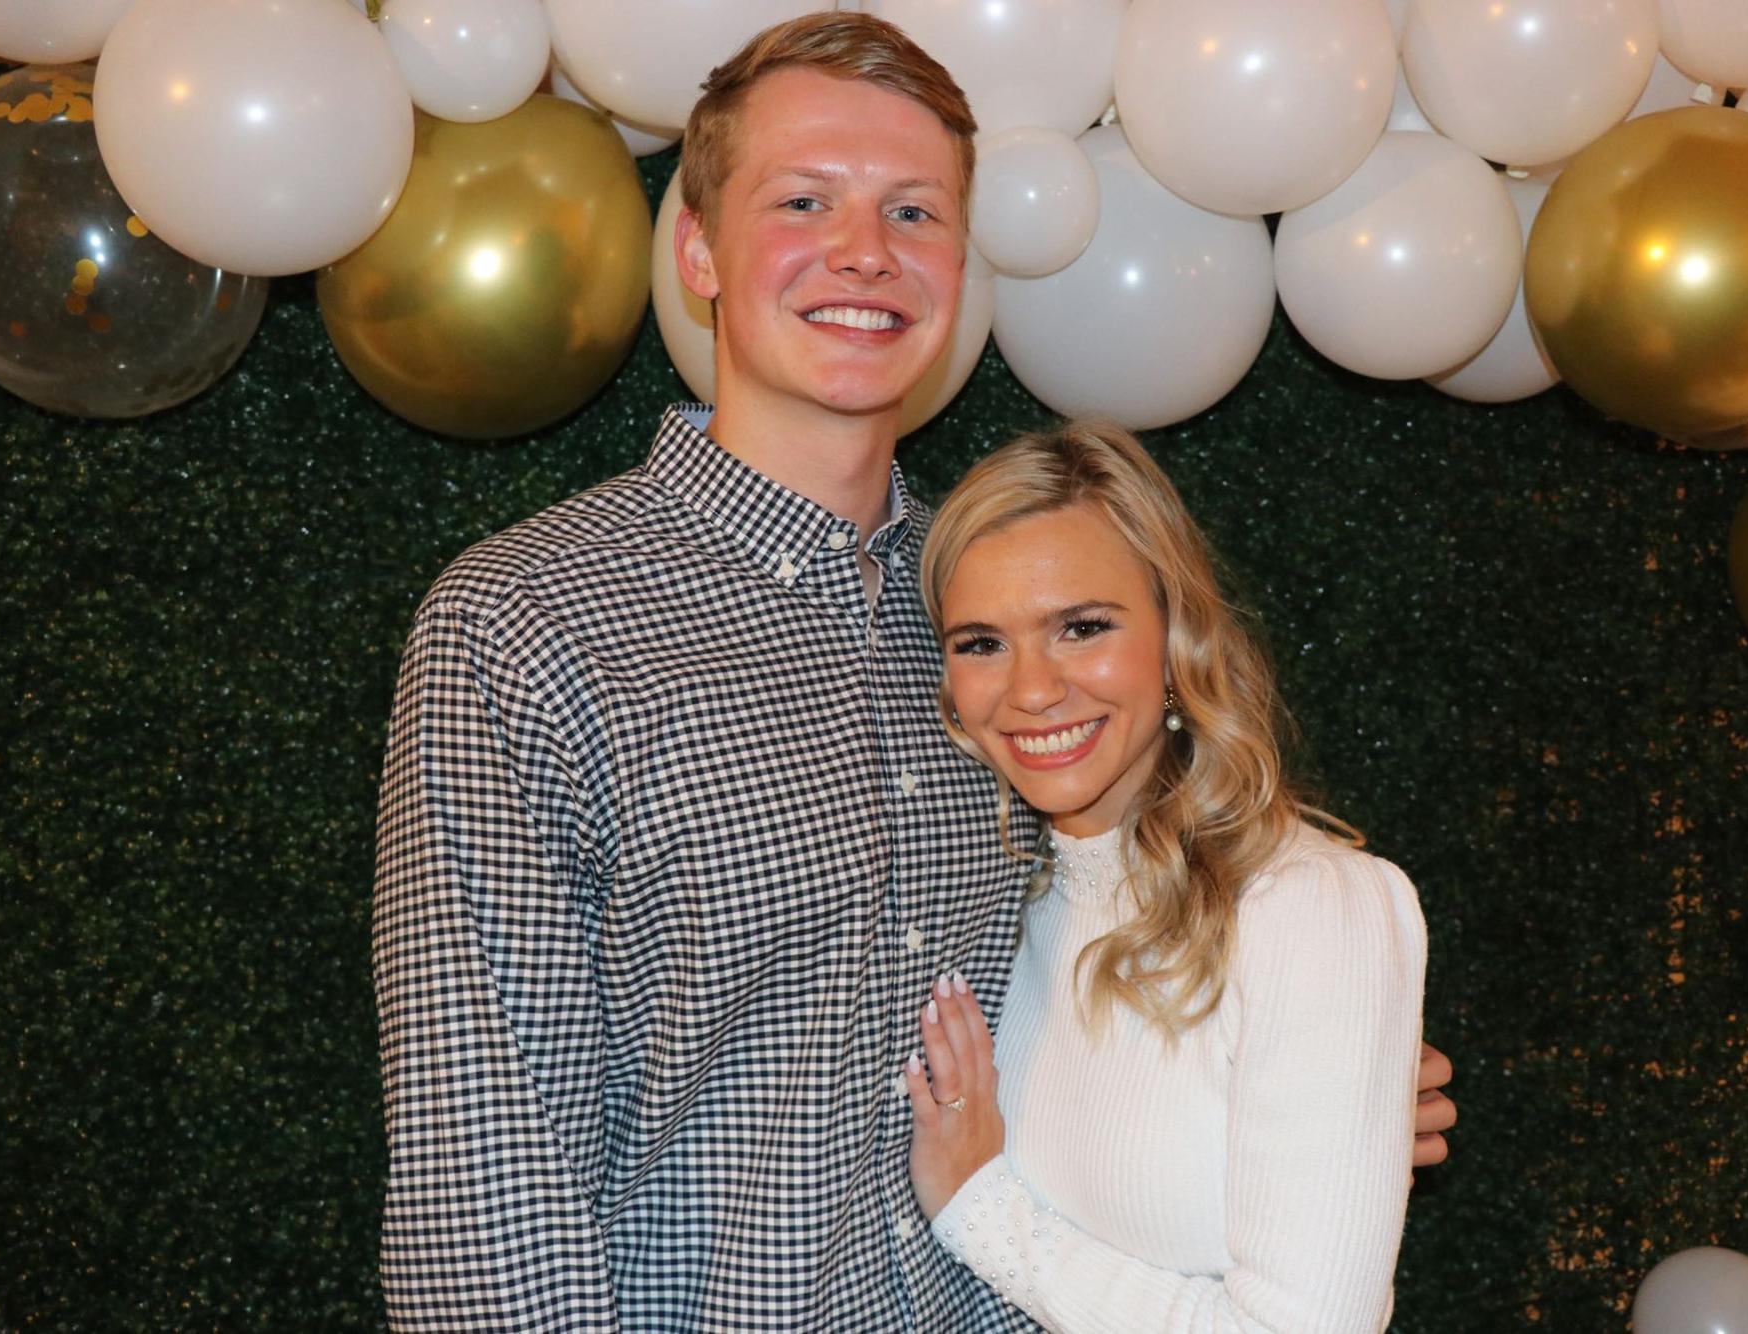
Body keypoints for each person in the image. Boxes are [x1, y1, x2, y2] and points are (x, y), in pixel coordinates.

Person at [371, 12, 1452, 1331]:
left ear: (958, 262)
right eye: (803, 201)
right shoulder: (530, 623)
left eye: (914, 212)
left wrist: (1303, 1077)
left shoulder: (989, 613)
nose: (865, 251)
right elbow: (485, 1183)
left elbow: (1143, 915)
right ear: (698, 249)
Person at [903, 421, 1428, 1332]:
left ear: (1179, 635)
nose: (1032, 690)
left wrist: (983, 1212)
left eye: (1082, 628)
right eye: (981, 643)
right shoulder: (999, 901)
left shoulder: (1309, 908)